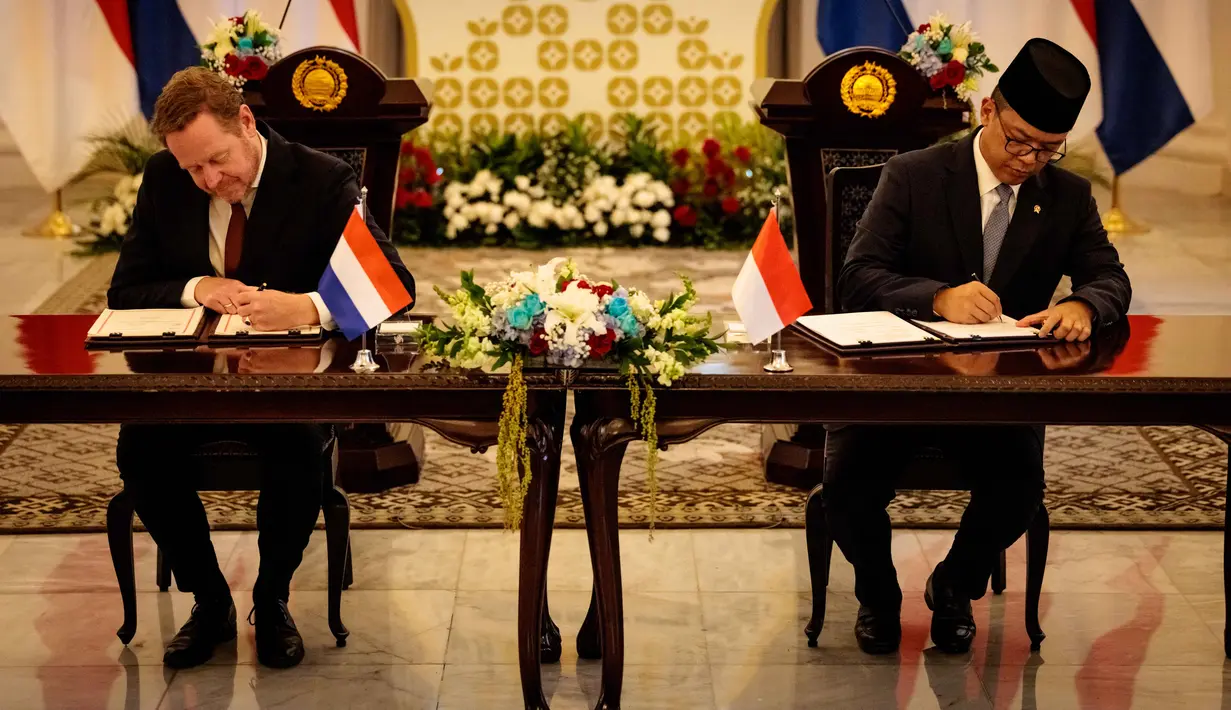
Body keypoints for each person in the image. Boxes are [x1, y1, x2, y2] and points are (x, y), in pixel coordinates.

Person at [832, 38, 1131, 655]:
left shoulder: (1068, 196)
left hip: (999, 393)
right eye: (1019, 141)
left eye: (1047, 149)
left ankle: (954, 585)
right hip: (901, 383)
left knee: (1018, 488)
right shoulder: (914, 175)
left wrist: (1083, 305)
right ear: (988, 110)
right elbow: (857, 276)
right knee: (848, 485)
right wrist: (938, 297)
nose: (1028, 160)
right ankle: (879, 594)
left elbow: (1110, 277)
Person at [108, 67, 415, 669]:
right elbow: (125, 290)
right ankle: (211, 600)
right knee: (140, 449)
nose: (208, 180)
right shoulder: (164, 177)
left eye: (217, 160)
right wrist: (198, 286)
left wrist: (309, 306)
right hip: (193, 383)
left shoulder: (320, 178)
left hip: (285, 384)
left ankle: (272, 600)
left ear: (246, 122)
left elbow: (393, 285)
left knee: (297, 446)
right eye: (193, 168)